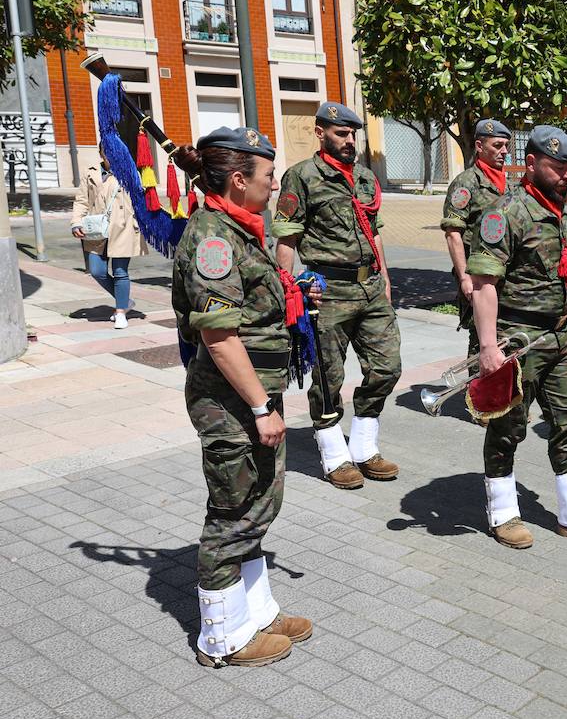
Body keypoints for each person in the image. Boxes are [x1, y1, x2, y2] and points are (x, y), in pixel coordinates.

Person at [170, 127, 313, 667]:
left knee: (259, 505)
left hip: (254, 397)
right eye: (268, 176)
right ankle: (222, 637)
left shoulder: (241, 226)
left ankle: (257, 611)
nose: (274, 184)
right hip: (231, 402)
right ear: (238, 180)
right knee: (232, 513)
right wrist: (260, 407)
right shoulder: (213, 239)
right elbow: (219, 336)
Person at [468, 126, 567, 548]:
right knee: (508, 425)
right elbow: (482, 282)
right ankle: (502, 511)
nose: (566, 175)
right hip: (514, 336)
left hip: (561, 334)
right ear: (532, 164)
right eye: (557, 168)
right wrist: (487, 347)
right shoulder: (507, 213)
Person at [273, 102, 401, 490]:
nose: (350, 141)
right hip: (326, 291)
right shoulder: (302, 177)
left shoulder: (363, 177)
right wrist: (289, 288)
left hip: (371, 287)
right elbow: (287, 238)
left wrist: (386, 276)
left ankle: (363, 446)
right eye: (341, 134)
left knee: (387, 367)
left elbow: (373, 230)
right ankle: (333, 454)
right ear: (320, 133)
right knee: (328, 375)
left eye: (353, 134)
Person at [441, 118, 512, 359]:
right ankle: (476, 394)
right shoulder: (466, 184)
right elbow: (453, 233)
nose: (504, 151)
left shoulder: (509, 185)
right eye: (498, 145)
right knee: (481, 340)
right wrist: (464, 277)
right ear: (480, 146)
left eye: (506, 146)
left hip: (507, 278)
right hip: (479, 277)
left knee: (507, 339)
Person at [71, 150, 147, 329]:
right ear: (100, 153)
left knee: (120, 272)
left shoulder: (128, 172)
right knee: (97, 270)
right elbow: (81, 201)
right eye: (106, 152)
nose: (110, 156)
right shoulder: (91, 172)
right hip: (97, 228)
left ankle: (120, 312)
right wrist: (76, 222)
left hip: (122, 226)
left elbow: (141, 199)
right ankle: (126, 301)